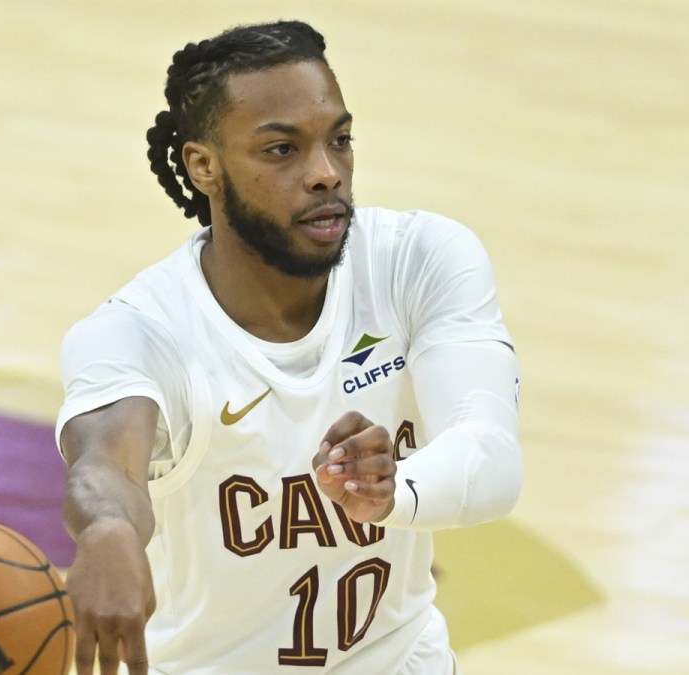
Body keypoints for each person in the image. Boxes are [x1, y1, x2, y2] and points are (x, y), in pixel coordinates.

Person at [56, 20, 523, 675]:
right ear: (203, 166)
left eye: (340, 140)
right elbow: (106, 465)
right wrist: (107, 530)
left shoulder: (417, 261)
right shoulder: (139, 330)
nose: (326, 174)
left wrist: (392, 490)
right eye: (282, 150)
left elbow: (491, 457)